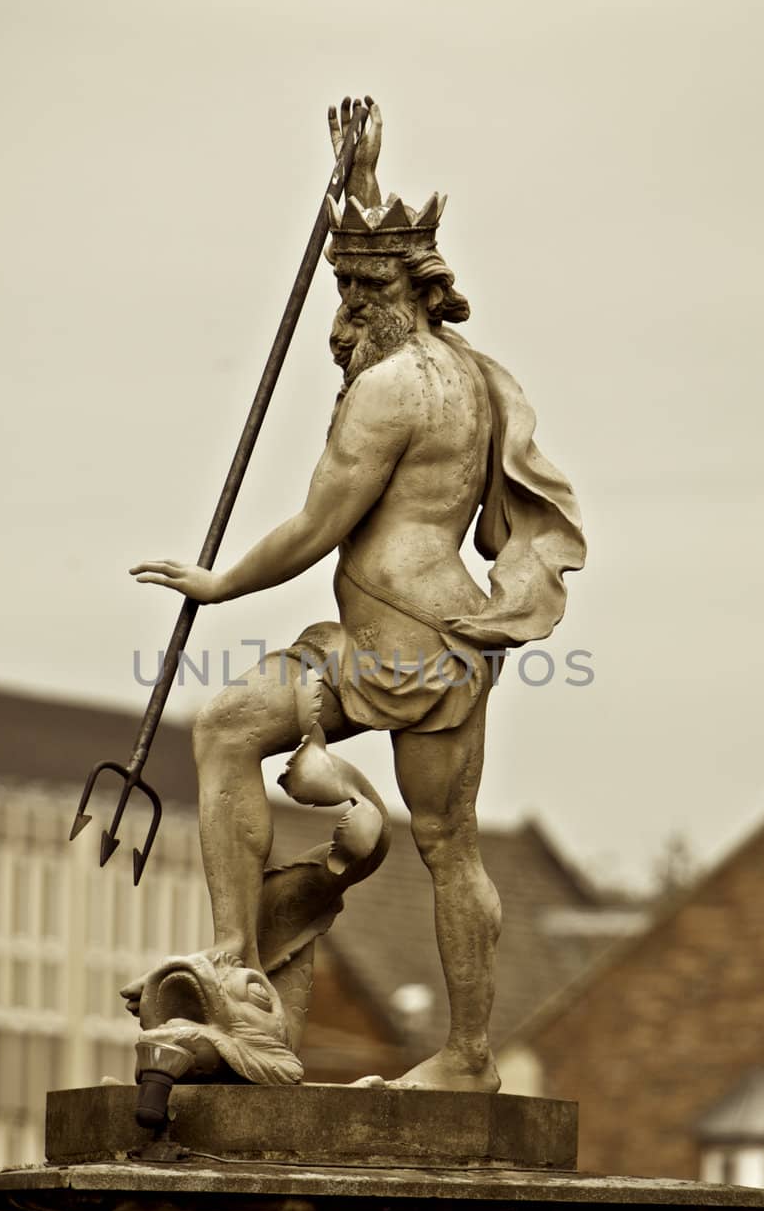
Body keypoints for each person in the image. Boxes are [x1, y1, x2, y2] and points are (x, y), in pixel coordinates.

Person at [130, 100, 585, 1091]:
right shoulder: (463, 370)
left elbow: (315, 524)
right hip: (383, 640)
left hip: (414, 649)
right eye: (335, 285)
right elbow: (385, 279)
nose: (338, 316)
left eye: (353, 290)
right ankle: (235, 961)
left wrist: (220, 582)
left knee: (446, 845)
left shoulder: (388, 392)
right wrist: (362, 187)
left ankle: (464, 1058)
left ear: (395, 294)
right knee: (230, 728)